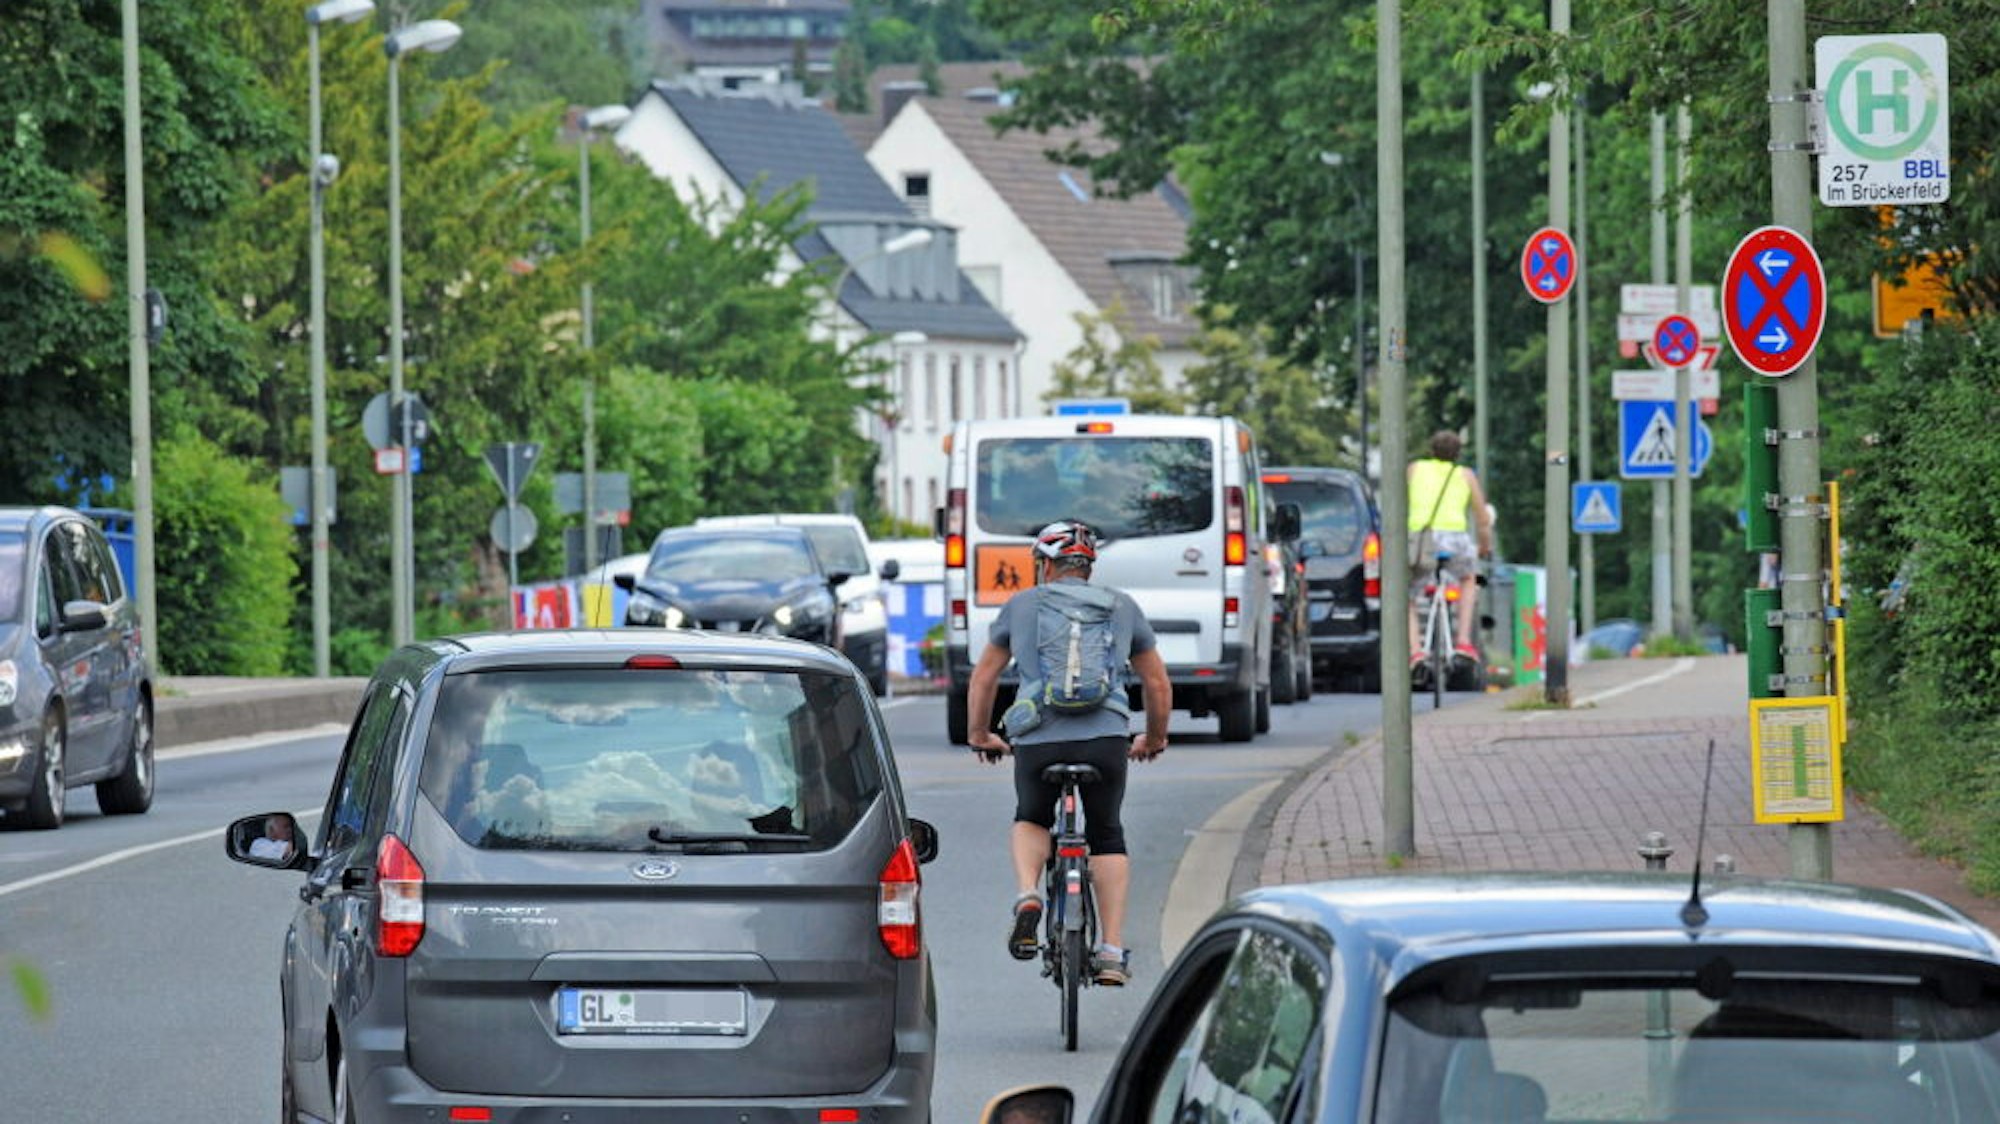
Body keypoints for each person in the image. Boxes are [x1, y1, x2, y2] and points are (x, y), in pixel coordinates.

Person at [965, 519, 1171, 987]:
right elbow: (1157, 683)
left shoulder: (1021, 606)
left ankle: (1027, 894)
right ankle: (1112, 951)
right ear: (1088, 567)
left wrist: (980, 734)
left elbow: (984, 678)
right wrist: (1154, 738)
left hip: (1039, 738)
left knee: (1032, 816)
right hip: (1105, 739)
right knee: (1107, 833)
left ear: (1044, 564)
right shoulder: (1122, 606)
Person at [1407, 429, 1494, 670]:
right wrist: (1485, 547)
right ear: (1458, 453)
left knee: (1407, 596)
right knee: (1468, 579)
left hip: (1421, 541)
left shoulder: (1414, 469)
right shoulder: (1466, 475)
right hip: (1455, 541)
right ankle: (1463, 641)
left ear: (1431, 450)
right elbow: (1483, 520)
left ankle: (1415, 652)